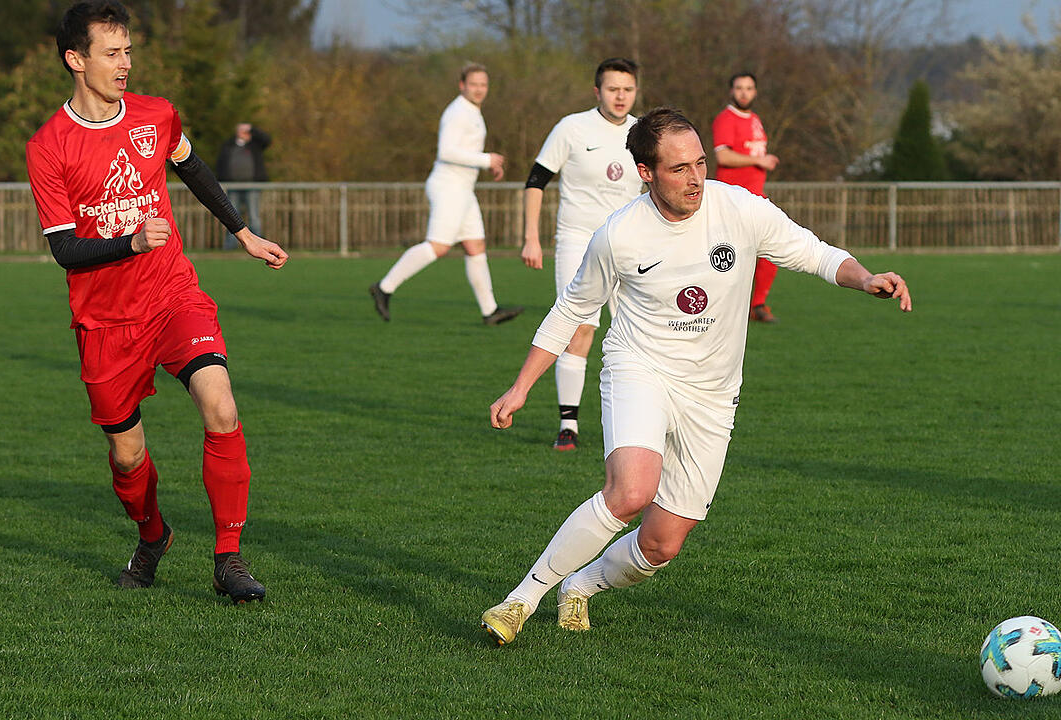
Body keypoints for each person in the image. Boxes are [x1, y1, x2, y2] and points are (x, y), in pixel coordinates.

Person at [479, 108, 911, 645]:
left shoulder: (737, 207)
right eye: (679, 168)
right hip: (641, 368)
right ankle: (521, 599)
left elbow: (811, 252)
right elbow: (570, 311)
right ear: (646, 173)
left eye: (700, 163)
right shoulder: (619, 235)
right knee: (631, 491)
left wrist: (866, 277)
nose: (695, 178)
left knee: (662, 545)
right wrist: (521, 387)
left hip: (713, 393)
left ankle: (583, 584)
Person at [26, 0, 289, 603]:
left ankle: (229, 558)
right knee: (126, 456)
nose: (125, 66)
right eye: (112, 54)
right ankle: (153, 536)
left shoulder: (156, 115)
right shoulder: (50, 146)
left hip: (172, 294)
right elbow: (65, 250)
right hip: (104, 320)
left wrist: (243, 233)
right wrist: (131, 239)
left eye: (128, 54)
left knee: (220, 405)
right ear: (76, 59)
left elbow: (193, 168)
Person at [521, 57, 644, 452]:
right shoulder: (571, 127)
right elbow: (536, 180)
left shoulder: (643, 132)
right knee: (580, 328)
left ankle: (639, 421)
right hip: (578, 241)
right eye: (613, 89)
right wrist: (531, 237)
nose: (620, 96)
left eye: (627, 89)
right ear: (597, 92)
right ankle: (568, 425)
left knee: (637, 331)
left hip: (627, 243)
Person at [369, 63, 522, 326]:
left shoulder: (472, 112)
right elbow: (446, 152)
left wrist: (487, 164)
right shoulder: (458, 112)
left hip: (463, 188)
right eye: (473, 84)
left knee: (476, 246)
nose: (479, 89)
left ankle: (490, 311)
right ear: (462, 85)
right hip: (448, 186)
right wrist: (486, 160)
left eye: (483, 85)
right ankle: (384, 288)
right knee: (438, 247)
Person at [712, 72, 782, 323]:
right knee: (728, 256)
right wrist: (758, 160)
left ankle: (758, 305)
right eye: (739, 88)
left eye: (749, 88)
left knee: (770, 252)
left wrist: (762, 162)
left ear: (755, 92)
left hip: (755, 198)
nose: (744, 92)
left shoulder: (755, 120)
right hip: (733, 199)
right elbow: (723, 157)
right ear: (731, 91)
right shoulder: (725, 119)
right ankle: (720, 307)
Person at [216, 122, 271, 250]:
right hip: (233, 186)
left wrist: (252, 129)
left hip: (252, 186)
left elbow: (267, 140)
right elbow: (220, 164)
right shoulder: (229, 145)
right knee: (231, 216)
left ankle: (259, 246)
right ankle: (230, 247)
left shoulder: (255, 145)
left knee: (254, 216)